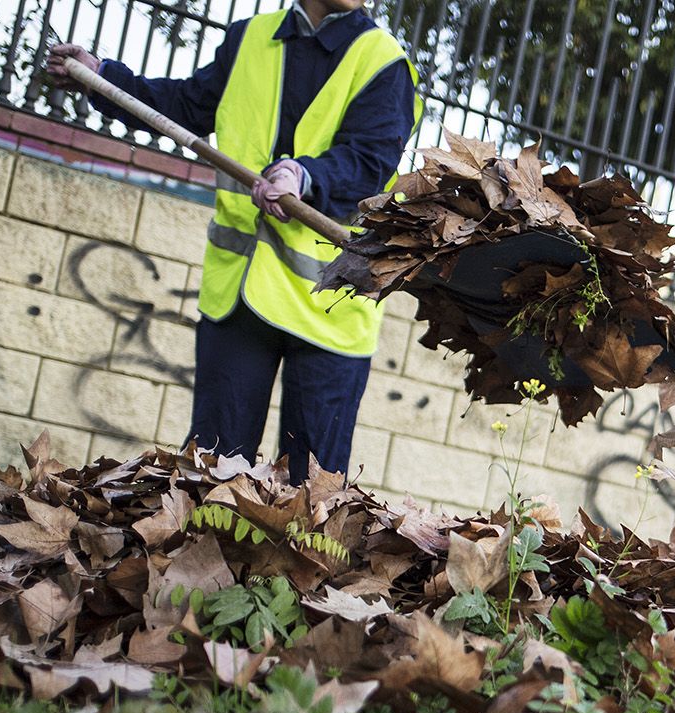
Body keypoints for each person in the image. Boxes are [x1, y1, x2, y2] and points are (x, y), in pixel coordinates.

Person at [47, 0, 422, 484]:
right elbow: (185, 106)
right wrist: (102, 77)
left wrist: (303, 176)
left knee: (311, 489)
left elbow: (370, 162)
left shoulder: (384, 61)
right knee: (212, 475)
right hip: (239, 296)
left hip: (330, 306)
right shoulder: (249, 38)